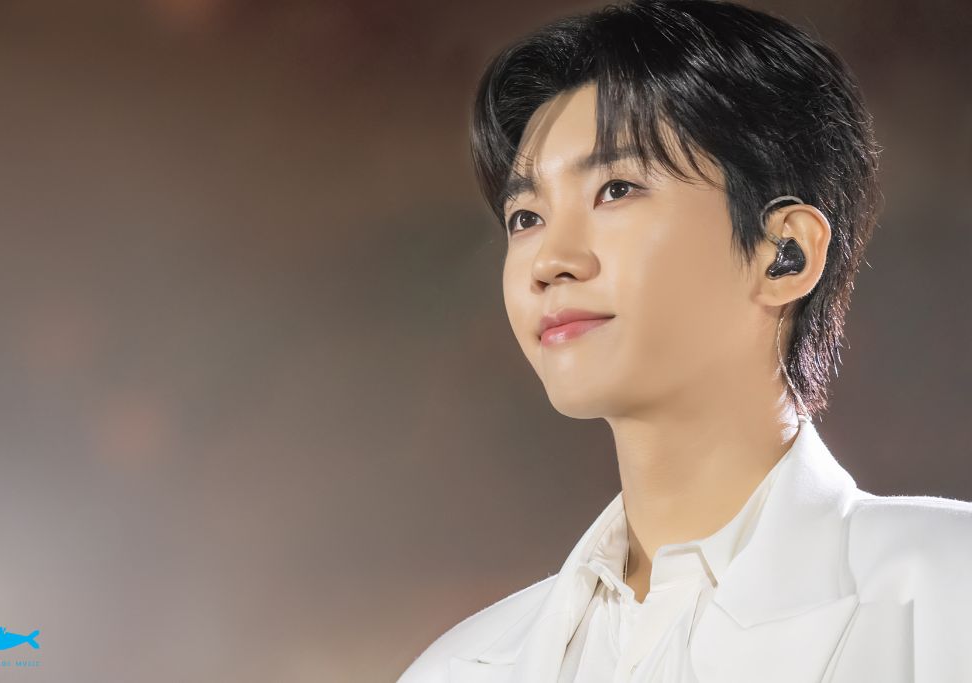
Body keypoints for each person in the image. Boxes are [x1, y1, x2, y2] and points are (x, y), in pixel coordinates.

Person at [397, 1, 972, 681]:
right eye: (526, 216)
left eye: (615, 189)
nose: (550, 261)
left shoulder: (946, 590)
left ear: (783, 253)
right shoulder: (457, 668)